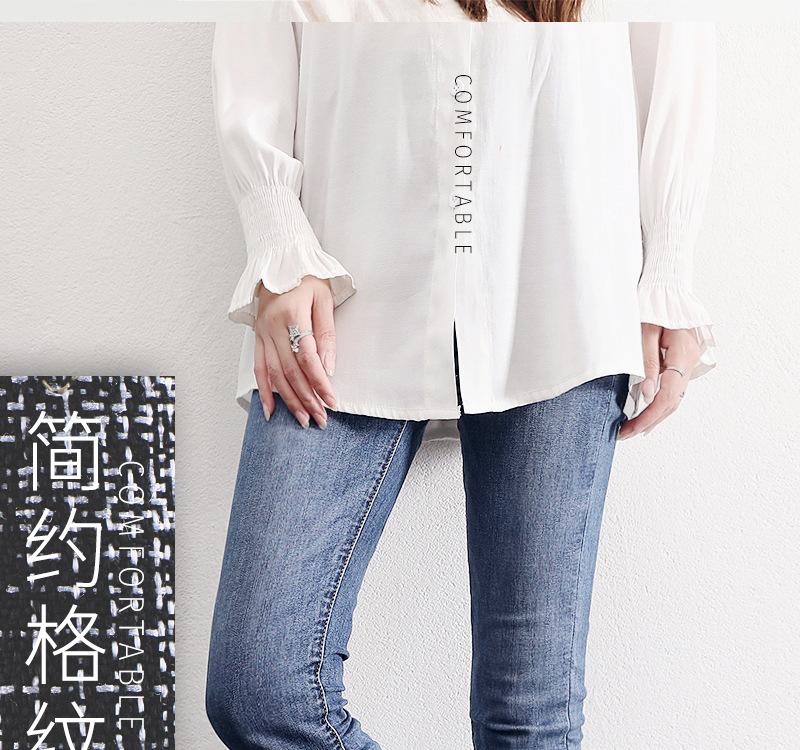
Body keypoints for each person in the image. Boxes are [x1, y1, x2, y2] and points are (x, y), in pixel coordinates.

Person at [205, 10, 716, 749]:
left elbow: (673, 39)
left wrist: (668, 268)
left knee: (528, 716)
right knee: (260, 688)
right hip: (342, 279)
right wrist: (277, 238)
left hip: (560, 274)